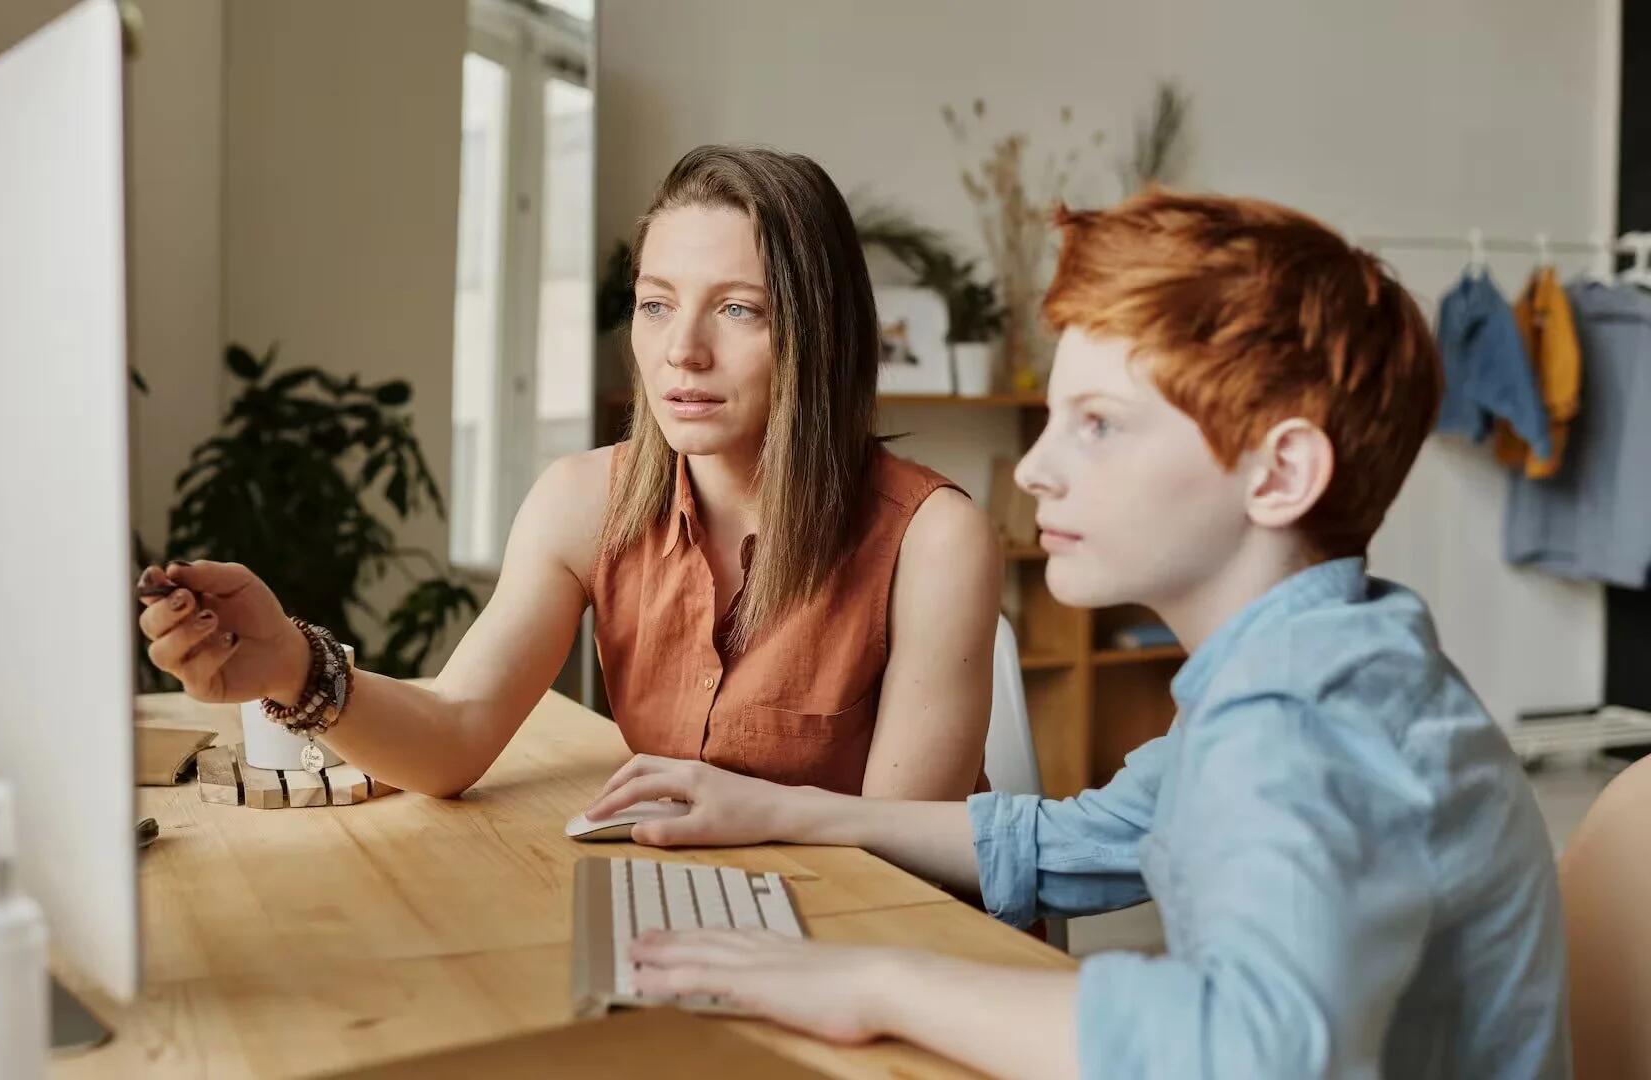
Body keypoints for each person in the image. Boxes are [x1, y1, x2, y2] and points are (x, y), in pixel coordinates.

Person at [586, 191, 1569, 1079]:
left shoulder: (1301, 725)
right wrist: (780, 809)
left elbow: (1248, 1050)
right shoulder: (1332, 661)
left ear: (1278, 476)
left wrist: (876, 984)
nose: (1034, 471)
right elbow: (1075, 839)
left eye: (1098, 424)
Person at [135, 144, 1001, 801]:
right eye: (656, 304)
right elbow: (454, 733)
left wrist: (734, 817)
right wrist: (291, 664)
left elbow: (903, 857)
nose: (681, 352)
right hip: (704, 916)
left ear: (822, 335)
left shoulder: (934, 539)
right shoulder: (584, 500)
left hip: (880, 946)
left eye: (739, 310)